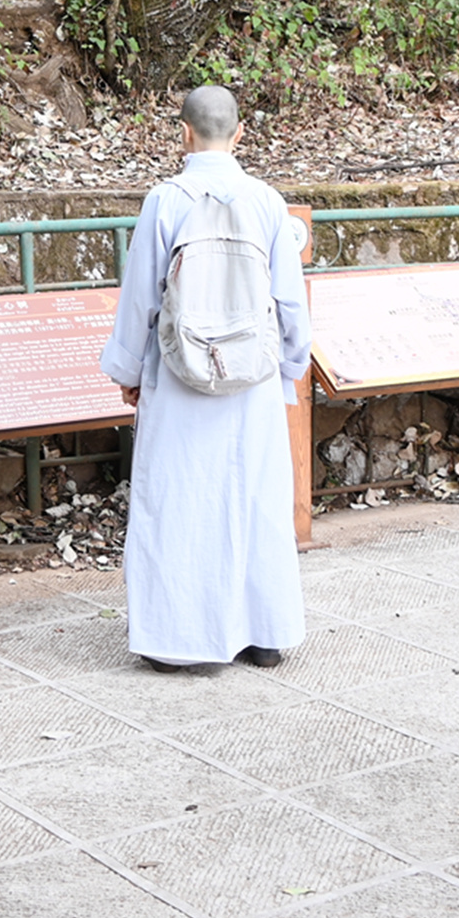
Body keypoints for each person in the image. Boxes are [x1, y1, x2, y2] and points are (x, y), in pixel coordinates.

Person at [99, 85, 312, 671]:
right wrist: (290, 367)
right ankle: (264, 634)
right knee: (256, 498)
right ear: (239, 134)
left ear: (184, 133)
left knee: (180, 500)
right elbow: (289, 302)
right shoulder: (268, 201)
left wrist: (127, 369)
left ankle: (179, 641)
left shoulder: (165, 202)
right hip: (254, 380)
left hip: (179, 371)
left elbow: (141, 297)